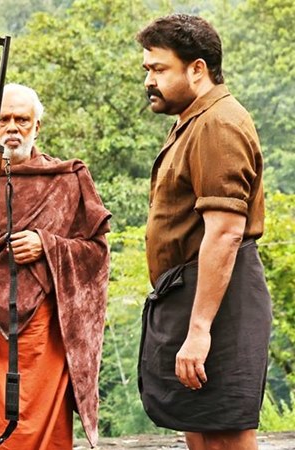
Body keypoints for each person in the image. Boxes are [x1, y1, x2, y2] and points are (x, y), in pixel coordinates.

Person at [0, 83, 111, 450]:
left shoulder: (66, 179)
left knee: (43, 431)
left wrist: (47, 246)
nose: (12, 128)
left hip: (44, 334)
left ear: (37, 126)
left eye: (22, 120)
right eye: (3, 120)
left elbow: (96, 253)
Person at [136, 14, 272, 450]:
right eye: (147, 70)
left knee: (224, 434)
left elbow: (226, 232)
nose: (149, 81)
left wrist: (199, 330)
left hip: (220, 302)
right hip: (194, 295)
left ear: (197, 69)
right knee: (198, 427)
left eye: (159, 69)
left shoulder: (218, 123)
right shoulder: (193, 121)